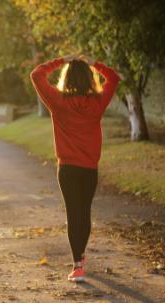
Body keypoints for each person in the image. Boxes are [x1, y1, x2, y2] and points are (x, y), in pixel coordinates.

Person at [30, 53, 121, 282]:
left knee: (74, 214)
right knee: (85, 212)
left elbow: (37, 74)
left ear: (66, 78)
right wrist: (95, 62)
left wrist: (61, 60)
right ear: (90, 79)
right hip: (89, 168)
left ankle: (78, 264)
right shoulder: (97, 103)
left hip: (68, 169)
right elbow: (114, 78)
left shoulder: (58, 101)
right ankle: (80, 257)